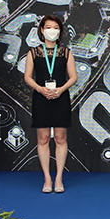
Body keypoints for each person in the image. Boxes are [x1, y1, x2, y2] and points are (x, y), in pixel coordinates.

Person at [24, 14, 77, 193]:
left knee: (61, 139)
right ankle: (47, 178)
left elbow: (73, 77)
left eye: (55, 27)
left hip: (60, 98)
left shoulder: (66, 52)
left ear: (60, 31)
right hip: (41, 98)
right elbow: (27, 77)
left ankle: (59, 178)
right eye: (48, 27)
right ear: (41, 30)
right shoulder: (33, 52)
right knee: (43, 139)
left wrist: (61, 89)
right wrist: (40, 89)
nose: (51, 30)